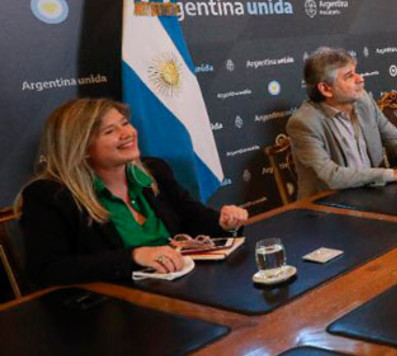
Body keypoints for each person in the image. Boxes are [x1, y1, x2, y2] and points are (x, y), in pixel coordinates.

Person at [16, 99, 249, 287]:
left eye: (125, 123)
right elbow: (46, 270)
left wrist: (224, 222)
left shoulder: (154, 170)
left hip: (182, 289)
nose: (126, 133)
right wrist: (135, 257)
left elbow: (192, 215)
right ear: (82, 148)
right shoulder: (49, 196)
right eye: (110, 131)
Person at [287, 47, 397, 198]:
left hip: (372, 194)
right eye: (349, 76)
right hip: (329, 205)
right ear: (326, 89)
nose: (360, 79)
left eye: (356, 72)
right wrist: (394, 174)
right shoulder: (304, 122)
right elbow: (330, 175)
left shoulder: (364, 101)